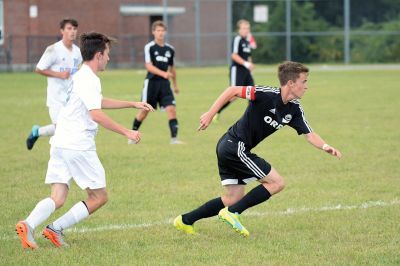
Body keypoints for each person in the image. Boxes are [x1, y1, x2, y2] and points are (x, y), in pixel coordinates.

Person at [15, 32, 154, 249]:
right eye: (107, 54)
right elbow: (95, 113)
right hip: (77, 145)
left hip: (60, 142)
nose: (108, 58)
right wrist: (127, 132)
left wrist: (132, 104)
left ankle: (28, 224)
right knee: (99, 196)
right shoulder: (90, 79)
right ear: (98, 55)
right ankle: (55, 229)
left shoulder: (80, 76)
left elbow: (97, 101)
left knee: (58, 197)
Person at [174, 61, 342, 237]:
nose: (306, 87)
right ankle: (233, 213)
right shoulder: (266, 94)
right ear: (291, 83)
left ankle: (185, 220)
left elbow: (309, 134)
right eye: (304, 81)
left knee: (233, 198)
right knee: (277, 182)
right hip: (234, 146)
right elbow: (232, 90)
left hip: (231, 147)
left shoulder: (294, 109)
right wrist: (210, 114)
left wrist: (325, 146)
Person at [26, 18, 83, 150]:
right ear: (62, 31)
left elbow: (78, 70)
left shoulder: (77, 52)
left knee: (68, 128)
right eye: (69, 29)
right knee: (63, 130)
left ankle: (37, 132)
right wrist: (59, 75)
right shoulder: (53, 49)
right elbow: (39, 69)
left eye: (74, 29)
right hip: (56, 98)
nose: (72, 32)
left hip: (71, 97)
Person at [130, 20, 183, 144]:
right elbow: (148, 66)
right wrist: (164, 73)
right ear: (153, 32)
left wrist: (175, 85)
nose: (160, 33)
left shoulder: (170, 49)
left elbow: (172, 68)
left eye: (162, 31)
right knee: (144, 111)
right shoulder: (149, 47)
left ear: (165, 32)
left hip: (165, 85)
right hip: (152, 83)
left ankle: (174, 139)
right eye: (158, 30)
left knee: (171, 109)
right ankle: (132, 135)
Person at [213, 19, 255, 123]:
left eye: (248, 28)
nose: (246, 30)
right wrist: (245, 63)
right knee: (233, 96)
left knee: (253, 93)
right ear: (239, 29)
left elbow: (248, 57)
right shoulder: (237, 39)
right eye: (244, 28)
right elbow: (234, 55)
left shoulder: (247, 41)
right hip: (237, 70)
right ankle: (216, 112)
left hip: (246, 72)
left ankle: (251, 118)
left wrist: (250, 65)